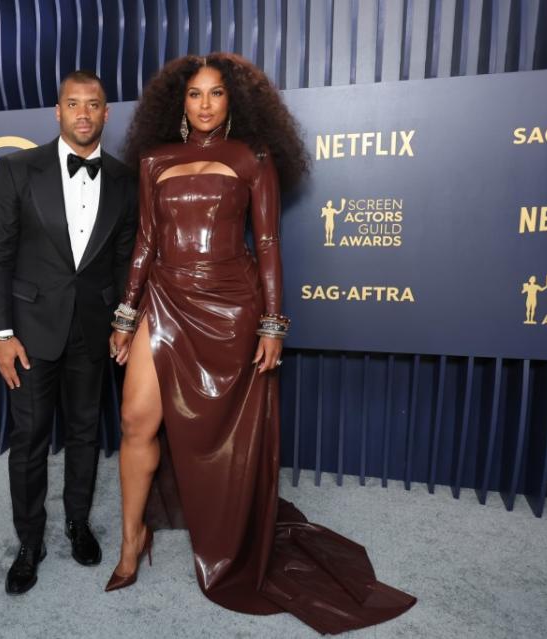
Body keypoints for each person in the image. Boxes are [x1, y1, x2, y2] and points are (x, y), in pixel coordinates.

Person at [105, 53, 415, 634]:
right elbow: (146, 242)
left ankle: (227, 527)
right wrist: (126, 313)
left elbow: (268, 242)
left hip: (231, 305)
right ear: (178, 102)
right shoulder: (154, 161)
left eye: (215, 94)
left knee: (226, 429)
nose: (203, 105)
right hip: (166, 299)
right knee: (134, 421)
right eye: (194, 94)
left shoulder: (252, 157)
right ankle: (131, 540)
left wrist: (273, 322)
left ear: (233, 101)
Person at [0, 70, 138, 595]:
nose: (84, 114)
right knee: (28, 439)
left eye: (94, 104)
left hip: (92, 330)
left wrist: (122, 323)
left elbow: (121, 261)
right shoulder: (17, 168)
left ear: (107, 112)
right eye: (73, 104)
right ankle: (30, 542)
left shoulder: (122, 179)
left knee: (86, 433)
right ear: (58, 110)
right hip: (27, 331)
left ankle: (77, 522)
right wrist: (0, 332)